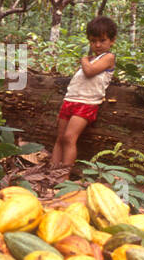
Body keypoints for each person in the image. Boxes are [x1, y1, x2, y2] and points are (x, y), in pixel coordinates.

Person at [50, 16, 117, 170]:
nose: (97, 45)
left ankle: (64, 174)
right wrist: (87, 60)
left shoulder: (108, 57)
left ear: (112, 41)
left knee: (69, 137)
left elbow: (89, 72)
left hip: (87, 103)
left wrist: (84, 60)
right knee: (59, 138)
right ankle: (51, 172)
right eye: (93, 41)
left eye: (102, 40)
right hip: (70, 100)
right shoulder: (91, 59)